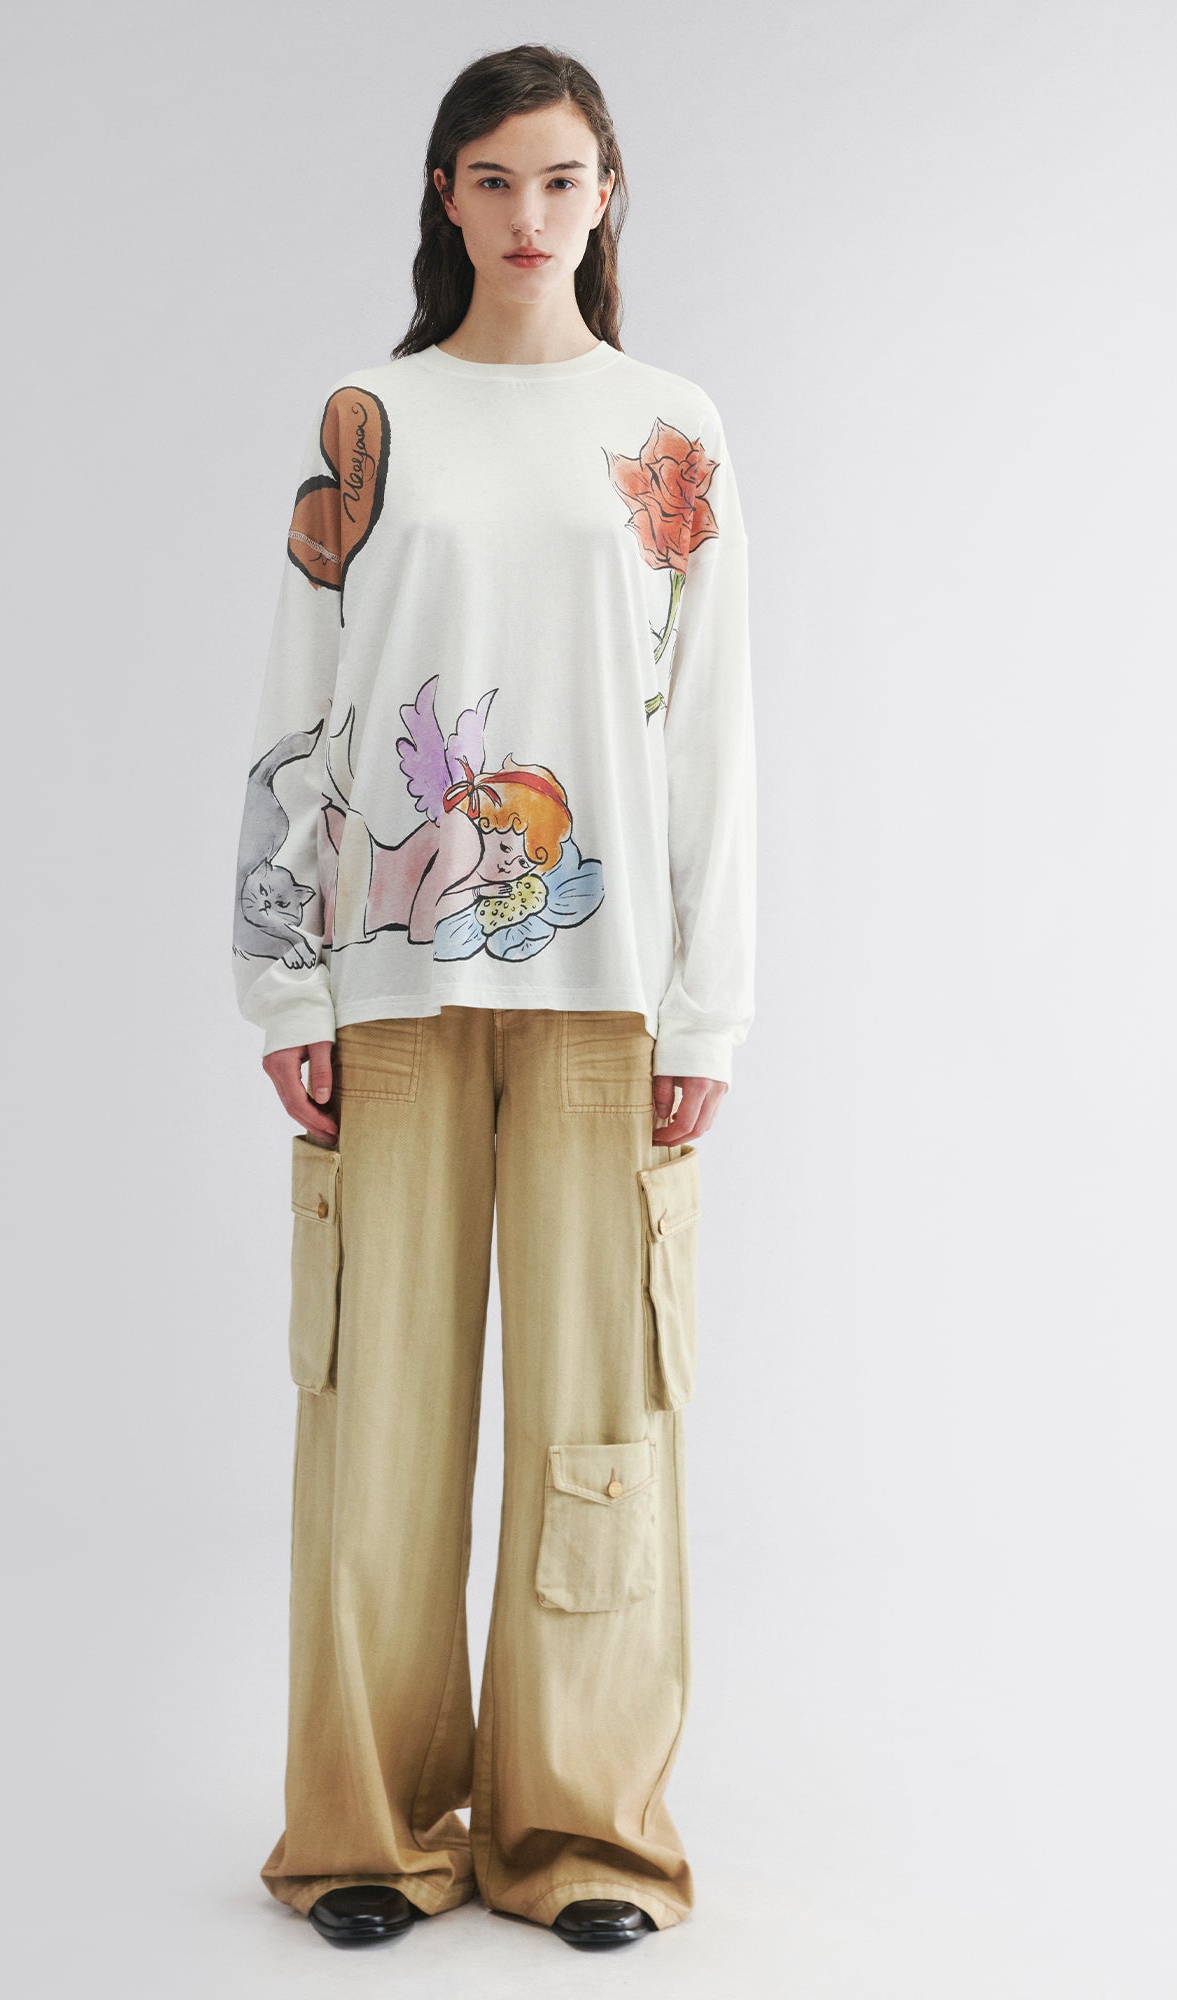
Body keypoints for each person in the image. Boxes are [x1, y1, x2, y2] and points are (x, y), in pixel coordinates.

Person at [230, 42, 756, 1954]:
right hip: (387, 985)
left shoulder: (671, 431)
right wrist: (280, 974)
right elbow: (300, 709)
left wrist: (706, 1009)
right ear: (444, 199)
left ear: (607, 197)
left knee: (603, 1412)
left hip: (610, 1002)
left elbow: (712, 737)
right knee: (374, 1414)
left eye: (559, 178)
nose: (527, 216)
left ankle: (583, 1834)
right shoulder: (371, 419)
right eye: (491, 179)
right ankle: (371, 1828)